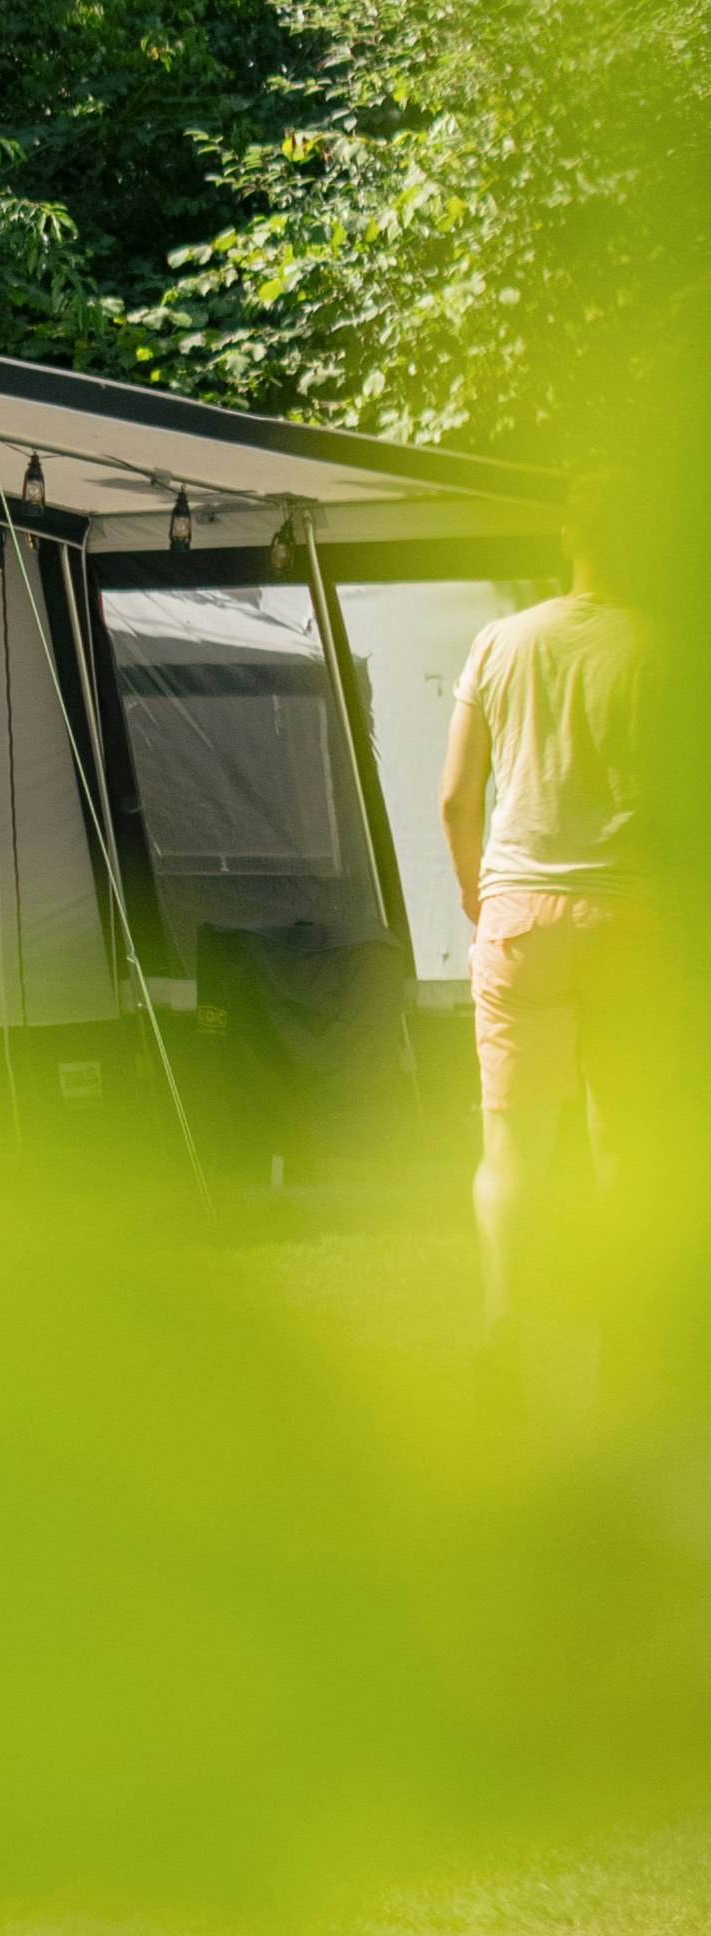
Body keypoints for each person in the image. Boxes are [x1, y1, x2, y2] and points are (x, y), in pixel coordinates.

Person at [441, 527, 654, 1351]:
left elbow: (458, 797)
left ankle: (501, 1325)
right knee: (625, 1138)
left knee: (509, 1146)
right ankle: (627, 1334)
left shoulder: (501, 641)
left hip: (520, 914)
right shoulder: (666, 644)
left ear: (568, 534)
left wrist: (475, 889)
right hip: (632, 917)